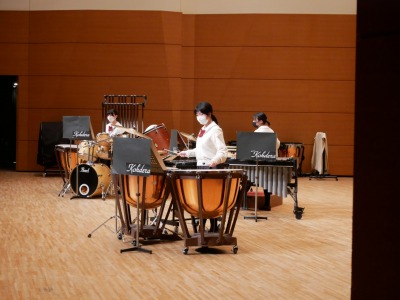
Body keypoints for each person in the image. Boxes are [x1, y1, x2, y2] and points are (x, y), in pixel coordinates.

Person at [178, 102, 228, 232]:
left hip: (211, 168)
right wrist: (187, 153)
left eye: (201, 114)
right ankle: (202, 229)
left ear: (209, 114)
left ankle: (212, 229)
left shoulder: (215, 129)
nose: (198, 117)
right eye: (197, 114)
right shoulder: (203, 129)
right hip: (201, 167)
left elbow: (223, 151)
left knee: (209, 201)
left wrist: (215, 161)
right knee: (201, 201)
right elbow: (201, 150)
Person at [252, 112, 280, 211]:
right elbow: (277, 145)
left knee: (248, 180)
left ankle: (239, 202)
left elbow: (252, 147)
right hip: (270, 161)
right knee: (267, 182)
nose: (254, 122)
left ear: (261, 121)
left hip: (259, 162)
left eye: (255, 120)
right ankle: (267, 204)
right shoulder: (272, 131)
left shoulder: (257, 132)